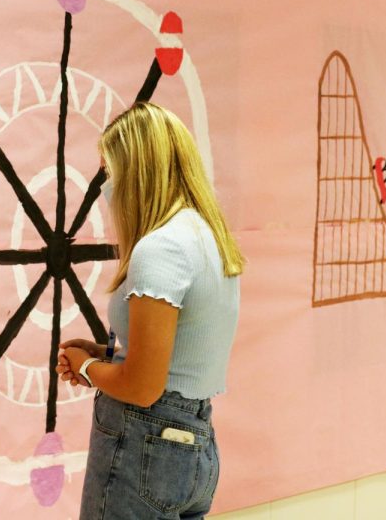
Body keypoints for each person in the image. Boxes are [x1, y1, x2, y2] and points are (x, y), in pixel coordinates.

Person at [56, 101, 244, 520]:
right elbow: (179, 353)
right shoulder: (210, 238)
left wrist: (86, 368)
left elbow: (142, 387)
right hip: (195, 448)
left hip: (143, 443)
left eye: (109, 171)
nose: (105, 185)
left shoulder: (160, 248)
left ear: (136, 170)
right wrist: (107, 356)